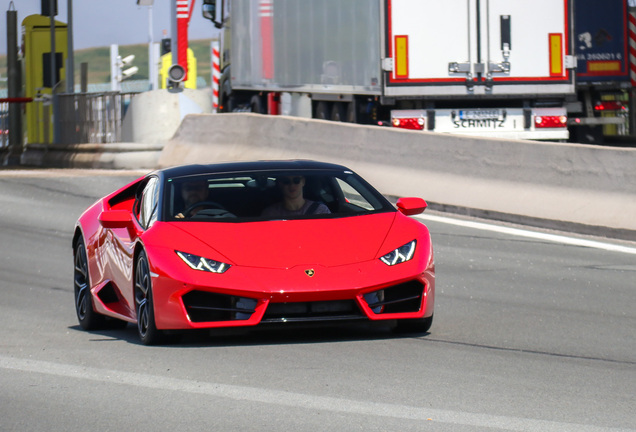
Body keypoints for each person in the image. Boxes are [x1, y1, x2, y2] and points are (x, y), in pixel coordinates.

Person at [261, 175, 330, 218]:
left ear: (303, 182)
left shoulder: (320, 211)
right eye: (286, 181)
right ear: (280, 184)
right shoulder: (270, 214)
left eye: (296, 180)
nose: (292, 185)